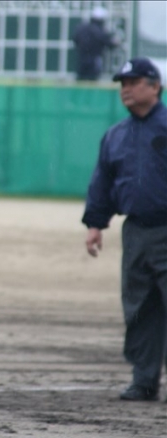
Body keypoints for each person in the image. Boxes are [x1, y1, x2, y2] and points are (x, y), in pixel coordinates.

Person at [82, 57, 167, 402]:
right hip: (135, 232)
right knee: (139, 307)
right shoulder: (116, 135)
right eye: (122, 84)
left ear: (155, 86)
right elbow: (102, 182)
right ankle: (144, 380)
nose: (125, 90)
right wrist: (95, 223)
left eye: (133, 82)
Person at [72, 6, 118, 81]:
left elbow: (75, 40)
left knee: (80, 81)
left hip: (82, 59)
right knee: (93, 81)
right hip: (94, 59)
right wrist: (115, 42)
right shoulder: (100, 30)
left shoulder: (82, 28)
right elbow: (110, 43)